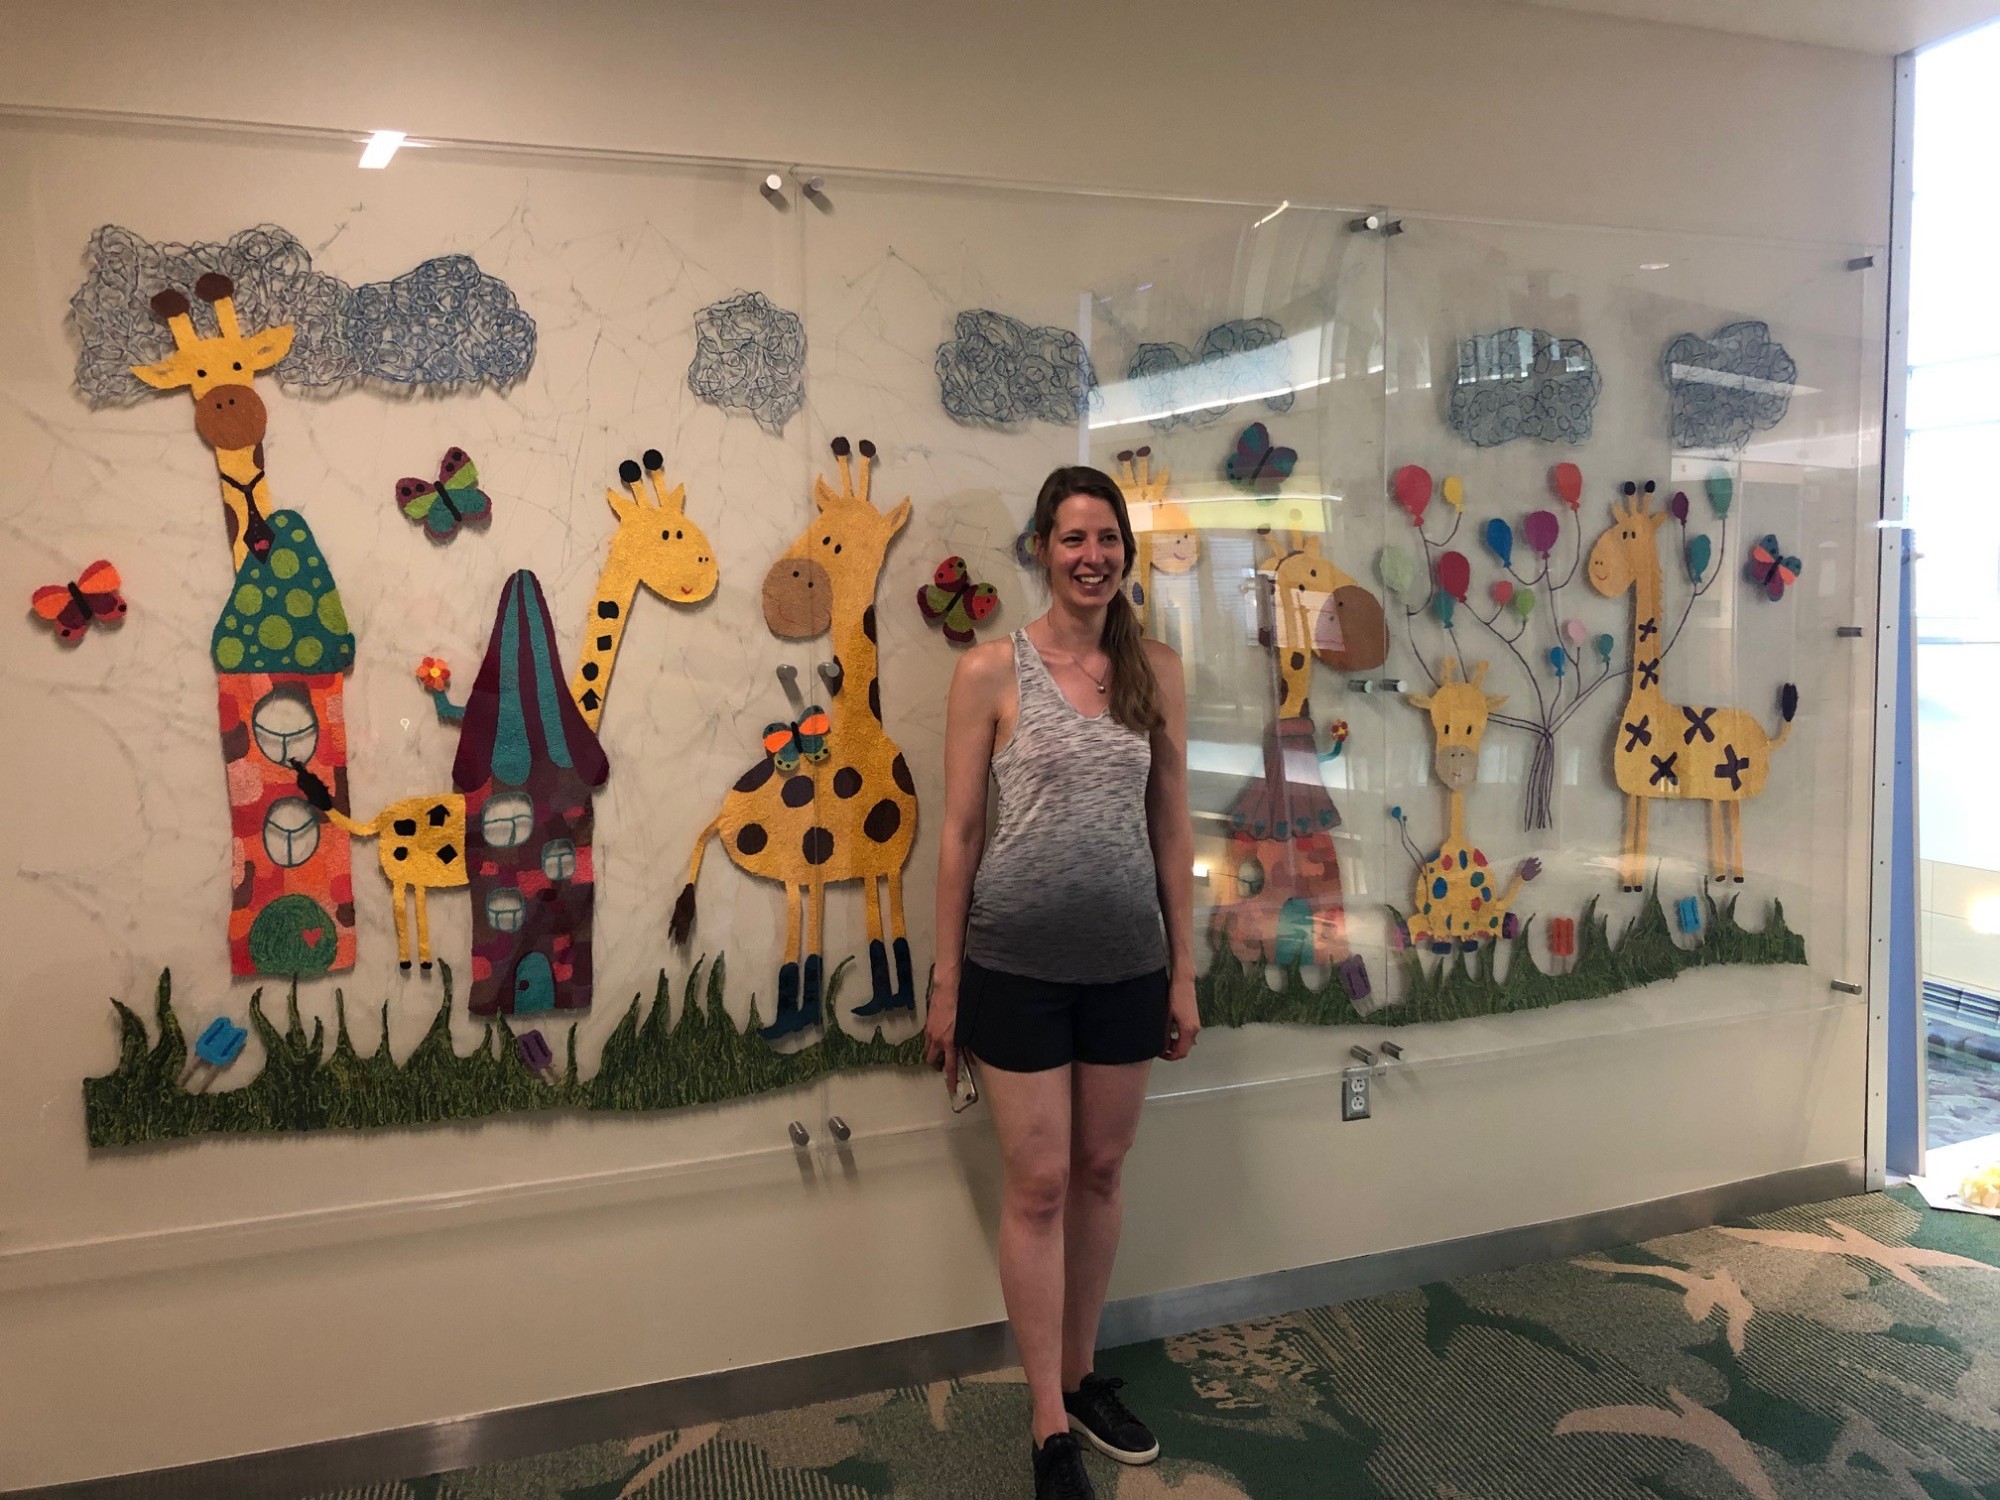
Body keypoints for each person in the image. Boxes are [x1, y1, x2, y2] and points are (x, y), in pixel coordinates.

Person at [926, 464, 1199, 1500]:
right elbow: (959, 836)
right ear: (1041, 547)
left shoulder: (1155, 671)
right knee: (1037, 1186)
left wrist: (1183, 974)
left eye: (1107, 538)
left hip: (1128, 968)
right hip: (1015, 971)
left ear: (1125, 552)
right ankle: (1047, 1420)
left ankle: (1081, 1377)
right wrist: (946, 987)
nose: (1092, 556)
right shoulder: (988, 673)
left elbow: (1171, 828)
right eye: (1073, 537)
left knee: (1100, 1173)